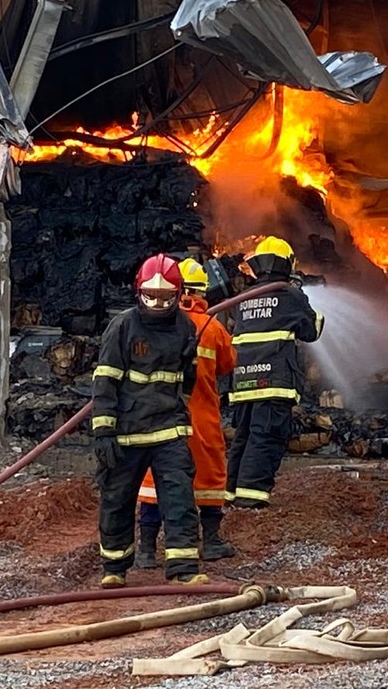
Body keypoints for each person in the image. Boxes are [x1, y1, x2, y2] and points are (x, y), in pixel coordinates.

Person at [91, 253, 208, 588]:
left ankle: (183, 568)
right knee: (116, 499)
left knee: (179, 498)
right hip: (127, 433)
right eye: (151, 297)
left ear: (179, 293)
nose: (158, 304)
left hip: (169, 430)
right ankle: (114, 568)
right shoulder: (123, 327)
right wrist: (103, 432)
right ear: (138, 291)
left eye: (166, 298)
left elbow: (188, 382)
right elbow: (106, 381)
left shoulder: (186, 327)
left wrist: (187, 374)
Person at [136, 258, 238, 568]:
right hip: (201, 417)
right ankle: (211, 542)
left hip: (159, 416)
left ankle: (146, 551)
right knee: (208, 477)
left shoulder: (152, 323)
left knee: (155, 481)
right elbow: (227, 365)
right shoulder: (213, 327)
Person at [227, 236, 323, 508]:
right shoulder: (290, 295)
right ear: (288, 263)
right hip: (273, 381)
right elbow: (311, 331)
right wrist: (302, 296)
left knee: (244, 437)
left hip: (243, 381)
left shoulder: (243, 299)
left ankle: (231, 493)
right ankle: (251, 498)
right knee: (266, 437)